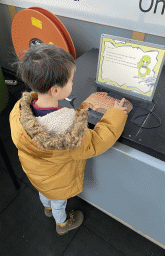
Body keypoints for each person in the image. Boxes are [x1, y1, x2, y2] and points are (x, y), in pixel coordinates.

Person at [9, 43, 128, 236]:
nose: (73, 84)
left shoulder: (20, 110)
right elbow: (96, 142)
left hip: (37, 176)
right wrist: (115, 114)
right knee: (59, 202)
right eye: (71, 81)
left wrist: (79, 111)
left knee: (45, 194)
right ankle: (62, 224)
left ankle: (46, 209)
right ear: (55, 90)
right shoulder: (67, 129)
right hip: (57, 183)